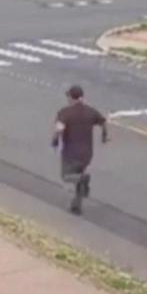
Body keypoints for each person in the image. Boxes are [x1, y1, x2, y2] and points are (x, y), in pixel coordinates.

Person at [52, 85, 108, 215]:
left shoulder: (65, 112)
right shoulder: (91, 111)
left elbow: (59, 128)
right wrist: (104, 136)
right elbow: (103, 122)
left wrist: (55, 140)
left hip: (71, 153)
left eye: (68, 97)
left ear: (71, 98)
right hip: (87, 154)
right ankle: (77, 205)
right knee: (79, 176)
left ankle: (83, 179)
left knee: (67, 177)